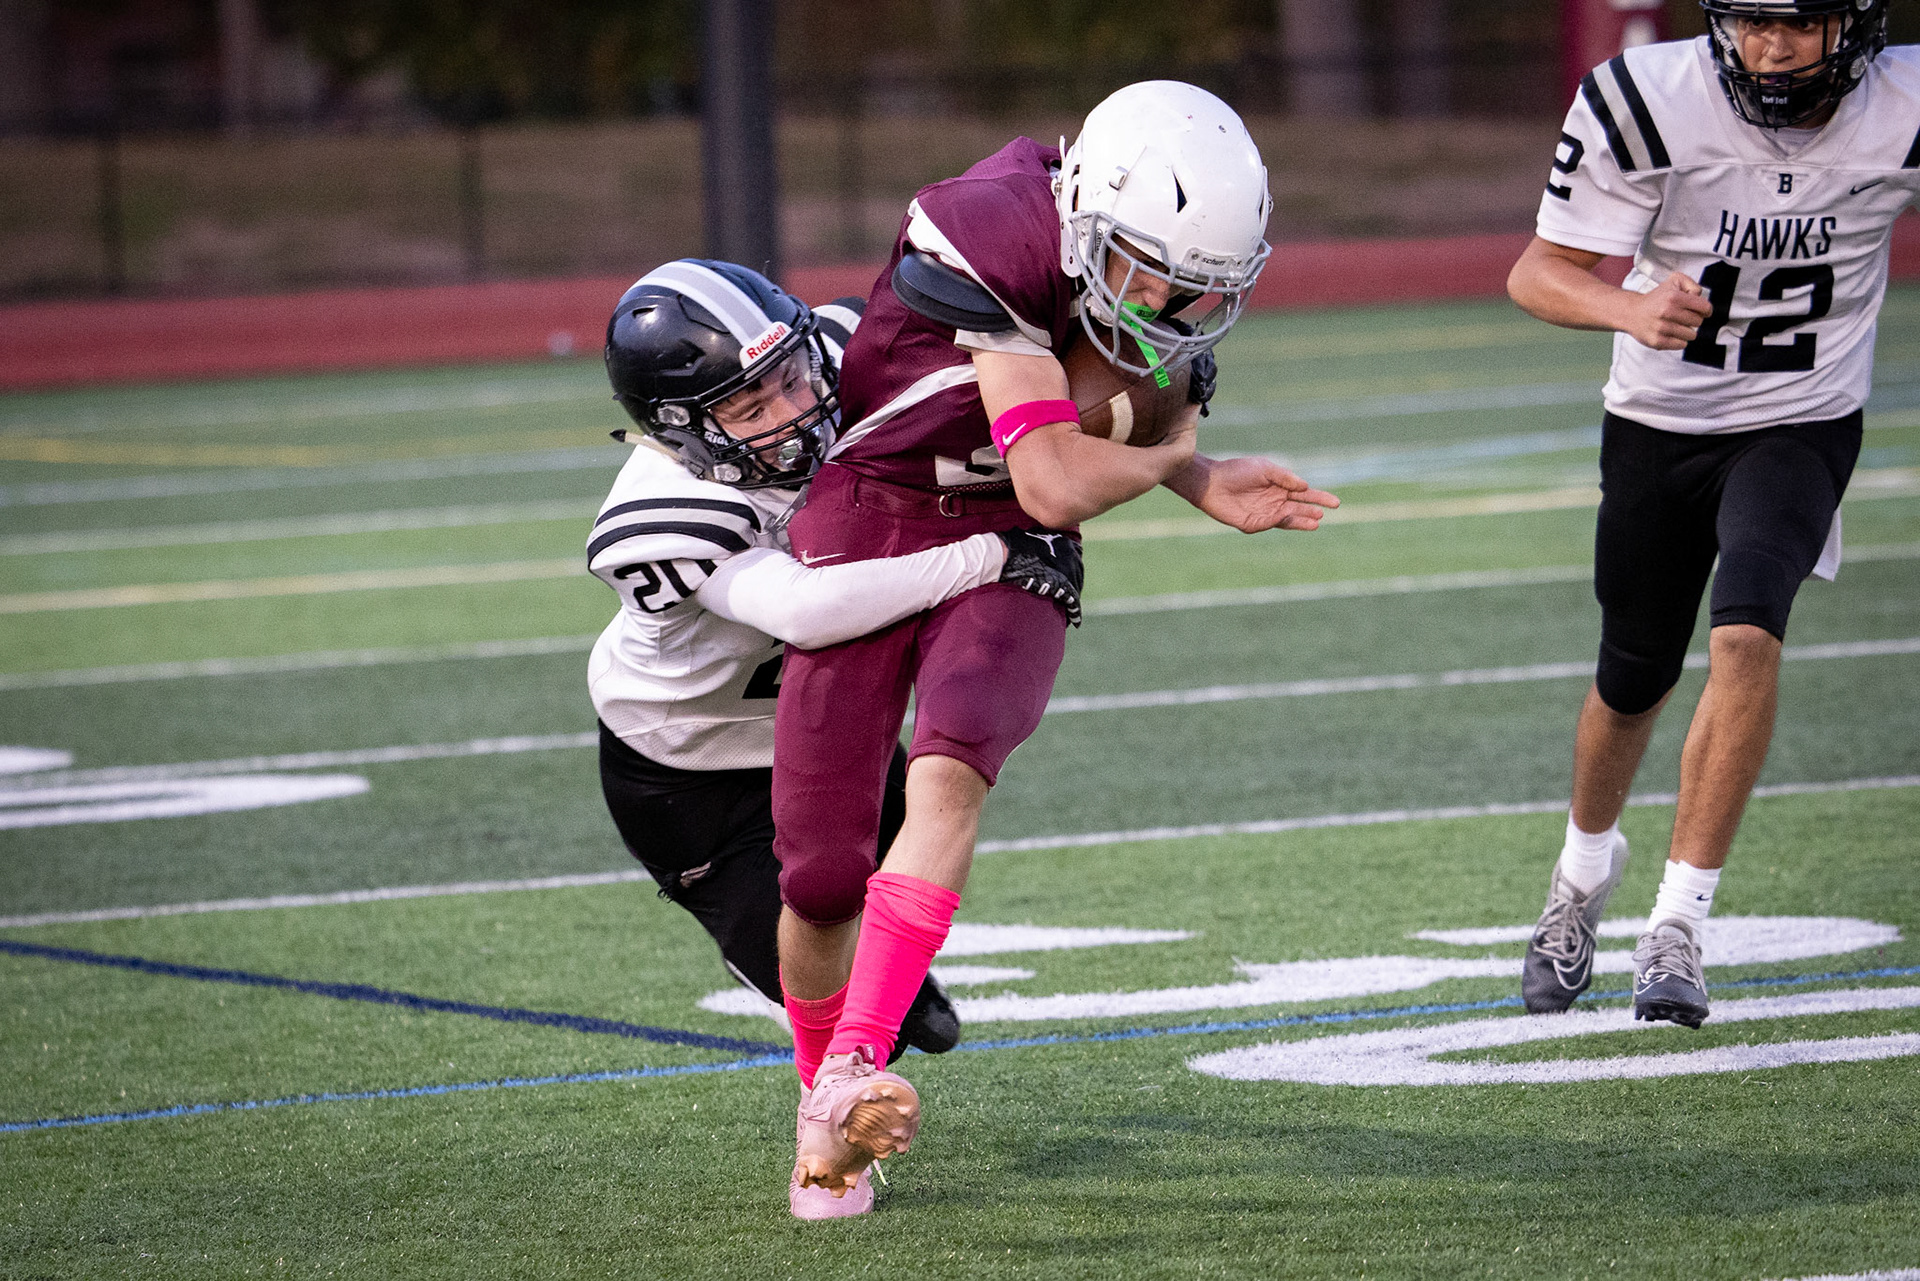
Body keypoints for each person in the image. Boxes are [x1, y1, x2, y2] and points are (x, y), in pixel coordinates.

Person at [768, 81, 1340, 1216]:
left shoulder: (1153, 293)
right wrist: (1186, 463)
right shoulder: (980, 224)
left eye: (1198, 287)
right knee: (822, 879)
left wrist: (1187, 462)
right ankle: (816, 1074)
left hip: (1013, 542)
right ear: (1083, 217)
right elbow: (1056, 471)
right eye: (1148, 270)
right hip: (877, 511)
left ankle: (843, 1093)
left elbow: (1049, 494)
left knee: (952, 767)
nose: (1170, 304)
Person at [585, 260, 1086, 1202]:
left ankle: (881, 1027)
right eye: (749, 404)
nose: (793, 408)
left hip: (817, 722)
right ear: (683, 431)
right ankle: (826, 1145)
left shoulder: (833, 341)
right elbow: (811, 610)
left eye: (788, 376)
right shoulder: (655, 517)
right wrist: (989, 551)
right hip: (687, 775)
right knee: (823, 959)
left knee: (894, 884)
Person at [1507, 0, 1911, 1028]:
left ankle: (1678, 926)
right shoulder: (1647, 100)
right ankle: (1580, 879)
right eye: (1752, 23)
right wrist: (1629, 308)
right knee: (1631, 679)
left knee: (1747, 634)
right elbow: (1536, 274)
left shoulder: (1902, 104)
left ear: (1856, 26)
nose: (1771, 49)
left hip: (1802, 420)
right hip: (1659, 420)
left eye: (1800, 25)